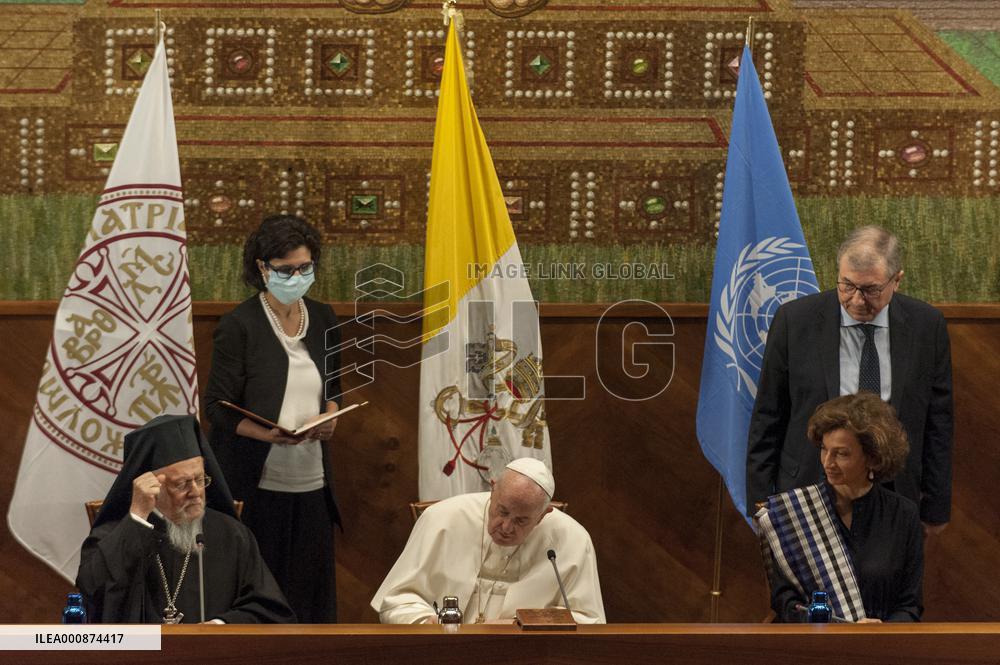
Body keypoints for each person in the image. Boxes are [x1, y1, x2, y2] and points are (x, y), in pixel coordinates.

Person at [746, 225, 953, 532]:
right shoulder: (794, 321)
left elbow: (938, 424)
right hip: (809, 491)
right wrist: (761, 505)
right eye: (847, 285)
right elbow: (767, 417)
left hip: (894, 495)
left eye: (870, 290)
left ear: (896, 281)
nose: (856, 300)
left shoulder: (926, 325)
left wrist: (936, 508)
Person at [204, 214, 342, 623]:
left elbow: (334, 388)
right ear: (262, 268)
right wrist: (268, 435)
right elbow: (216, 408)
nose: (297, 277)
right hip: (257, 484)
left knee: (311, 599)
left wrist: (332, 415)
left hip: (313, 481)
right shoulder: (239, 325)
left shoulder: (323, 317)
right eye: (285, 270)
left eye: (305, 267)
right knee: (261, 598)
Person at [76, 415, 295, 624]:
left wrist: (219, 625)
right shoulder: (117, 532)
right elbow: (92, 592)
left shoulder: (231, 534)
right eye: (181, 484)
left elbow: (269, 608)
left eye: (199, 479)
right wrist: (137, 519)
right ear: (151, 487)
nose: (195, 492)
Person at [371, 458, 605, 624]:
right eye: (502, 511)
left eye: (521, 520)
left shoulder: (573, 540)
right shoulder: (442, 518)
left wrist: (520, 626)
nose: (506, 528)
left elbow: (587, 621)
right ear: (493, 489)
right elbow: (396, 600)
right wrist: (426, 622)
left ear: (543, 515)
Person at [757, 393, 923, 622]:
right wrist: (834, 628)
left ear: (873, 458)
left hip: (881, 641)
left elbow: (910, 606)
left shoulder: (903, 515)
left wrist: (880, 630)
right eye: (824, 449)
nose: (828, 462)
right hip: (811, 640)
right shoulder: (794, 513)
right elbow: (785, 602)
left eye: (841, 454)